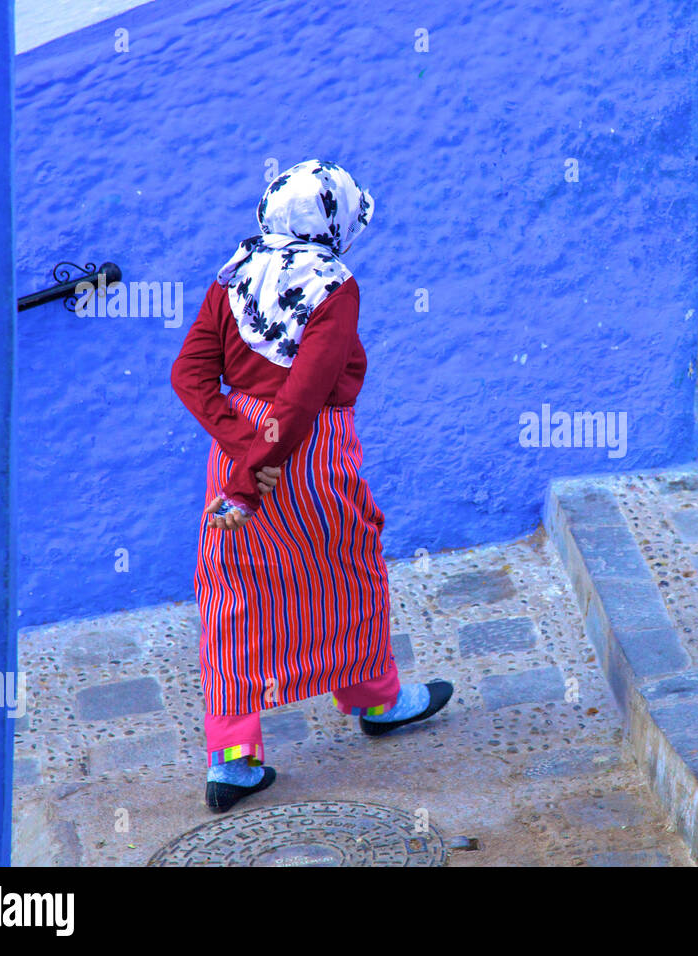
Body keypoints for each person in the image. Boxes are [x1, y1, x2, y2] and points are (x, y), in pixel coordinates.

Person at [171, 159, 452, 813]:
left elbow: (190, 375)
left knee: (231, 597)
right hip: (310, 458)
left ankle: (234, 757)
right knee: (348, 570)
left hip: (237, 453)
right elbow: (300, 402)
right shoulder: (335, 287)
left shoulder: (231, 276)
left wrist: (240, 450)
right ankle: (377, 700)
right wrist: (255, 475)